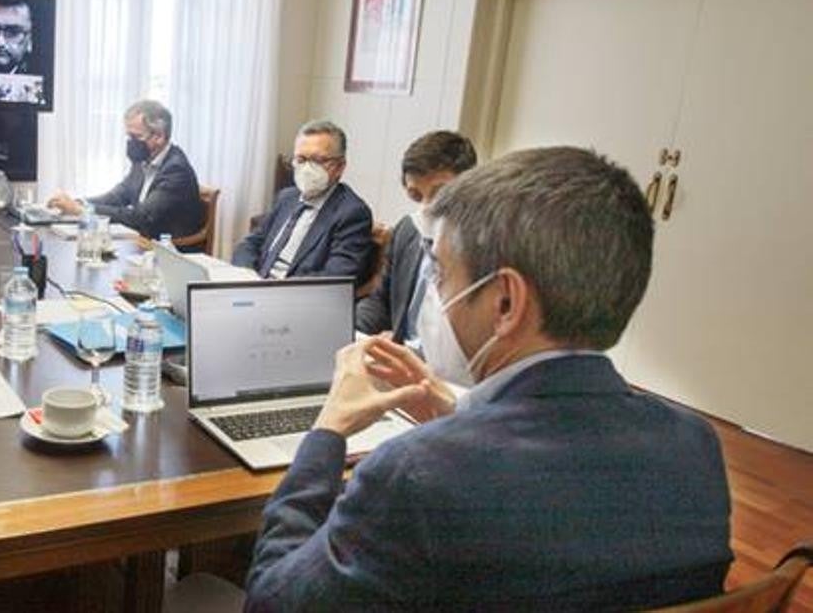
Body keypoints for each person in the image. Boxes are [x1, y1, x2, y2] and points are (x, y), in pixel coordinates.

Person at [245, 147, 732, 611]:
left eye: (441, 275)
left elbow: (270, 601)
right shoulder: (695, 445)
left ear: (505, 303)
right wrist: (460, 416)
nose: (435, 296)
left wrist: (327, 431)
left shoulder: (416, 472)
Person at [356, 130, 477, 337]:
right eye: (416, 195)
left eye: (440, 193)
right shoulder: (408, 230)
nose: (427, 206)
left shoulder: (487, 244)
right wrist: (350, 332)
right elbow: (380, 302)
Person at [232, 120, 373, 283]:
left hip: (297, 294)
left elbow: (336, 277)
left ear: (340, 167)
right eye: (301, 159)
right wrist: (247, 275)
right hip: (256, 285)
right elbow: (251, 243)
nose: (307, 169)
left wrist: (276, 289)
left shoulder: (352, 213)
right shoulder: (287, 197)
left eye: (317, 160)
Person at [47, 100, 205, 239]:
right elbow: (118, 196)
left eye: (136, 137)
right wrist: (79, 203)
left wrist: (81, 210)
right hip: (142, 242)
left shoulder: (176, 170)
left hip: (169, 251)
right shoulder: (144, 160)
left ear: (159, 136)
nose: (131, 143)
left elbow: (141, 218)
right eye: (129, 136)